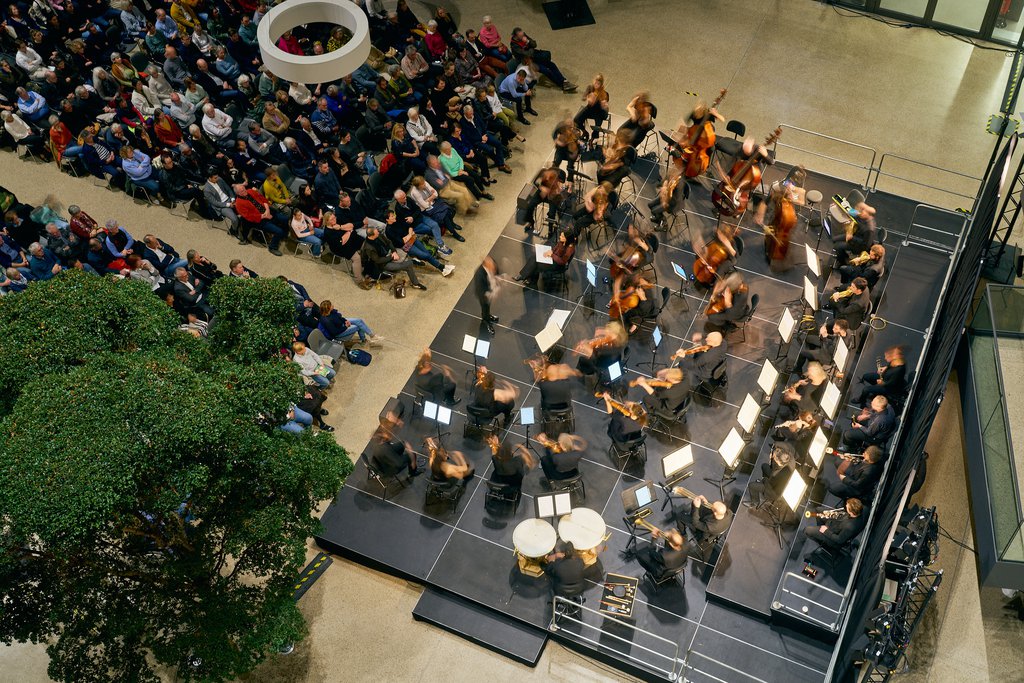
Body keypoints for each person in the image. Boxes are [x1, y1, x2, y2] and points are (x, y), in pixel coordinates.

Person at [360, 225, 427, 290]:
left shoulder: (378, 235)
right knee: (408, 264)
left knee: (406, 258)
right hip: (383, 264)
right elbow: (378, 260)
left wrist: (394, 251)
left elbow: (389, 242)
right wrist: (391, 257)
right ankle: (414, 276)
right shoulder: (369, 248)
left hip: (389, 254)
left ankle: (415, 282)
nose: (378, 233)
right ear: (372, 236)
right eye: (376, 233)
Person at [509, 28, 576, 92]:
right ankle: (561, 84)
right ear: (516, 36)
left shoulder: (523, 36)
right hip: (528, 61)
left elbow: (534, 44)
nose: (523, 36)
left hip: (535, 56)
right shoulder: (514, 46)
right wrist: (530, 47)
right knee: (546, 70)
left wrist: (527, 41)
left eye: (523, 35)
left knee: (552, 64)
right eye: (521, 36)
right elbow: (528, 54)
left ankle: (564, 81)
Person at [233, 182, 286, 255]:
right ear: (238, 193)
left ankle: (283, 235)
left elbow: (262, 199)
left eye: (244, 188)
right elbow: (249, 217)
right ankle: (272, 247)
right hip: (258, 220)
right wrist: (264, 216)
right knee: (279, 231)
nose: (245, 191)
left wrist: (267, 210)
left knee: (285, 219)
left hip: (266, 211)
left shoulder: (250, 191)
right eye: (242, 191)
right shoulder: (239, 203)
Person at [746, 442, 797, 508]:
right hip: (783, 483)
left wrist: (771, 460)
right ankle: (762, 482)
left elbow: (769, 484)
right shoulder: (792, 461)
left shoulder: (775, 474)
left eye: (774, 457)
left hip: (773, 492)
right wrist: (775, 444)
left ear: (777, 461)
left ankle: (755, 502)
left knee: (751, 485)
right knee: (765, 466)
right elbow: (785, 446)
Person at [317, 300, 383, 346]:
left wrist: (345, 320)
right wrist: (346, 326)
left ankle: (372, 336)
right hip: (339, 332)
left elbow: (339, 317)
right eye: (331, 305)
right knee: (358, 327)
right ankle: (363, 340)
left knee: (359, 321)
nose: (332, 305)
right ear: (328, 309)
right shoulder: (327, 321)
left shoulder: (331, 312)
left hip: (341, 324)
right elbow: (335, 332)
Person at [574, 73, 610, 140]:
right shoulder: (590, 88)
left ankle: (592, 139)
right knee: (576, 120)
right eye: (595, 83)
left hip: (599, 112)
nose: (596, 85)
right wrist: (589, 97)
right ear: (593, 81)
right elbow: (583, 97)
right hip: (590, 109)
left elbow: (605, 105)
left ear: (601, 85)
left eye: (598, 84)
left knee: (597, 127)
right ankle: (585, 132)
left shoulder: (605, 93)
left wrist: (604, 104)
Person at [475, 255, 500, 334]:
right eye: (492, 266)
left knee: (488, 307)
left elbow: (496, 271)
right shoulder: (479, 275)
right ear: (486, 265)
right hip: (484, 296)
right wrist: (489, 295)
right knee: (485, 307)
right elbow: (480, 290)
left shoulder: (492, 264)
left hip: (490, 289)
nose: (494, 267)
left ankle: (488, 315)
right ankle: (486, 321)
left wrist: (497, 279)